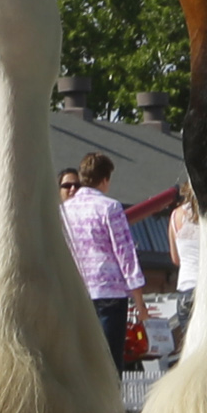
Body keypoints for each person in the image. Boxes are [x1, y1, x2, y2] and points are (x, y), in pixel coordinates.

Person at [62, 151, 146, 370]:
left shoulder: (64, 210)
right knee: (109, 362)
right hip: (109, 291)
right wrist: (139, 299)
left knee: (80, 359)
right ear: (105, 179)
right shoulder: (110, 207)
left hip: (76, 292)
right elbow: (125, 253)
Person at [169, 179, 201, 351]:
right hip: (206, 288)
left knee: (189, 349)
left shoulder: (176, 215)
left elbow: (175, 258)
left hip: (185, 288)